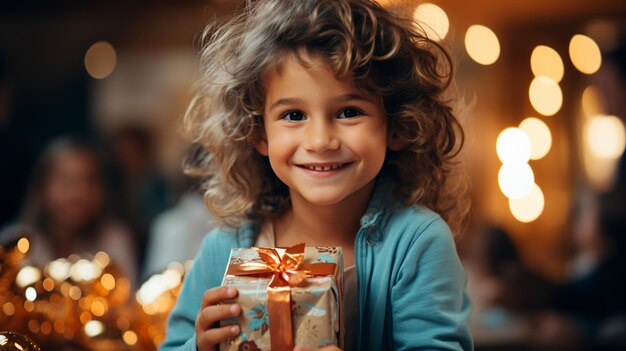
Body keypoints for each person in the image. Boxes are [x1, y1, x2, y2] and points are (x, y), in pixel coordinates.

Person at [161, 0, 471, 350]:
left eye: (349, 112)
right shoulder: (225, 247)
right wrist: (199, 347)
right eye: (294, 115)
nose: (320, 141)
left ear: (397, 126)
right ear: (259, 134)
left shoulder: (417, 243)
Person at [0, 136, 137, 283]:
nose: (78, 193)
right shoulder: (15, 241)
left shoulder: (115, 239)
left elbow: (126, 299)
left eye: (89, 181)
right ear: (42, 188)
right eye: (66, 181)